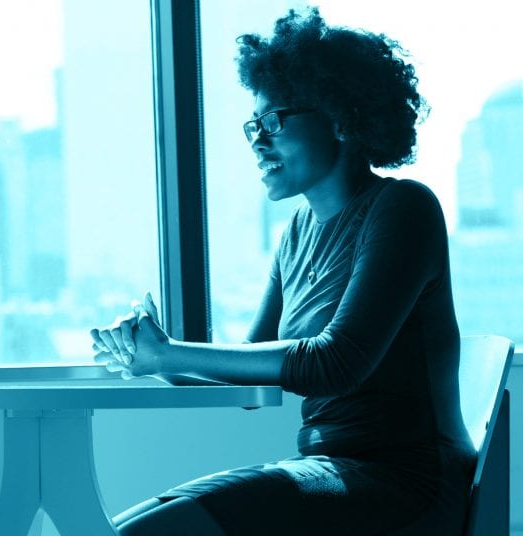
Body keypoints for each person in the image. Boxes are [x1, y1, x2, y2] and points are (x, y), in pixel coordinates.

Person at [91, 8, 475, 535]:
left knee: (147, 533)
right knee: (111, 527)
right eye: (253, 125)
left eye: (273, 121)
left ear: (340, 116)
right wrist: (151, 357)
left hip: (406, 484)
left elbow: (338, 363)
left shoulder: (403, 208)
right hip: (330, 472)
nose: (256, 139)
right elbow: (252, 377)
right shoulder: (296, 233)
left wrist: (172, 353)